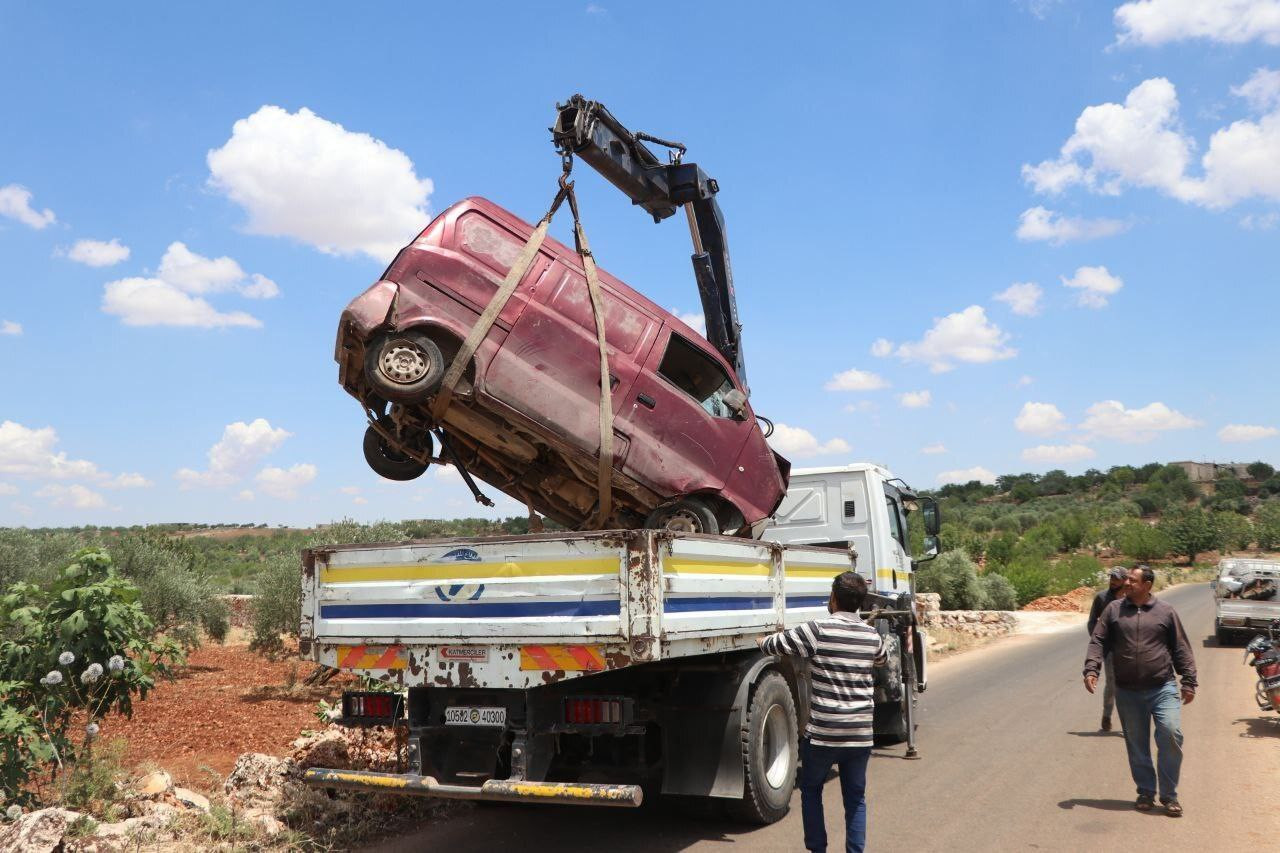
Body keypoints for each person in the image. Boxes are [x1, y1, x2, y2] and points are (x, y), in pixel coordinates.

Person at [757, 571, 887, 853]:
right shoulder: (871, 635)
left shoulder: (818, 630)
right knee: (855, 799)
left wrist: (761, 641)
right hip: (860, 734)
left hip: (824, 735)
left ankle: (818, 849)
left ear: (834, 598)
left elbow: (777, 644)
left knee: (811, 790)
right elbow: (882, 658)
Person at [1083, 565, 1197, 817]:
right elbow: (1098, 640)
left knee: (1170, 733)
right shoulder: (1113, 610)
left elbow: (1180, 647)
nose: (1127, 584)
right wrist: (1092, 669)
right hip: (1127, 690)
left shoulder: (1165, 612)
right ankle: (1146, 791)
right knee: (1136, 744)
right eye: (1126, 580)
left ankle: (1169, 795)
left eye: (1133, 581)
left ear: (1147, 585)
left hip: (1162, 686)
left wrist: (1189, 680)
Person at [1087, 566, 1128, 731]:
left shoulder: (1131, 598)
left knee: (1130, 685)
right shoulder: (1101, 598)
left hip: (1130, 648)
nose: (1112, 581)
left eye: (1116, 578)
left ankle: (1129, 719)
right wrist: (1097, 640)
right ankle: (1107, 715)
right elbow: (1091, 622)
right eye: (1111, 577)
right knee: (1112, 684)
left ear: (1125, 580)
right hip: (1110, 648)